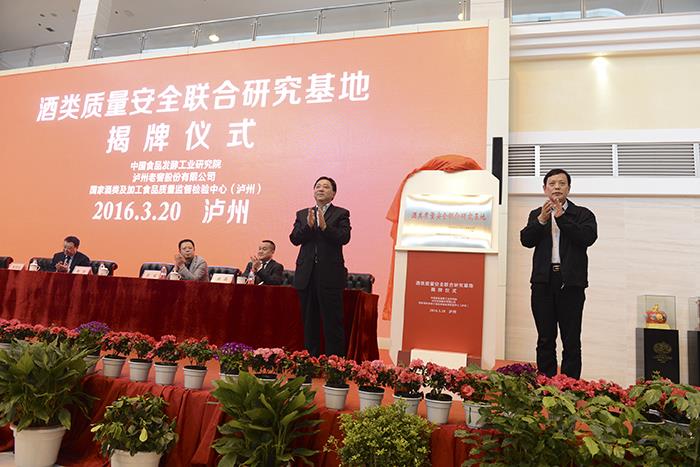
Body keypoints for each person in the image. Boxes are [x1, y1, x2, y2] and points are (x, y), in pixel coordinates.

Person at [520, 168, 597, 379]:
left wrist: (562, 217)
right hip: (543, 282)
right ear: (545, 189)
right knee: (545, 338)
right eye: (552, 184)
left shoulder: (582, 214)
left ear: (568, 188)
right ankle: (546, 385)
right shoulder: (537, 214)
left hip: (571, 283)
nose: (557, 187)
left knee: (571, 339)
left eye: (562, 183)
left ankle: (570, 387)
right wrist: (541, 220)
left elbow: (587, 238)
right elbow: (526, 240)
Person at [290, 176, 351, 357]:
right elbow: (294, 239)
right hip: (307, 275)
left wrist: (325, 228)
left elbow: (344, 238)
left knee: (332, 322)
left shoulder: (341, 213)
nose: (321, 189)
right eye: (318, 186)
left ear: (333, 193)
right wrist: (308, 227)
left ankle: (335, 362)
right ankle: (311, 360)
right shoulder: (303, 214)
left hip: (330, 276)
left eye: (326, 187)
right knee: (309, 322)